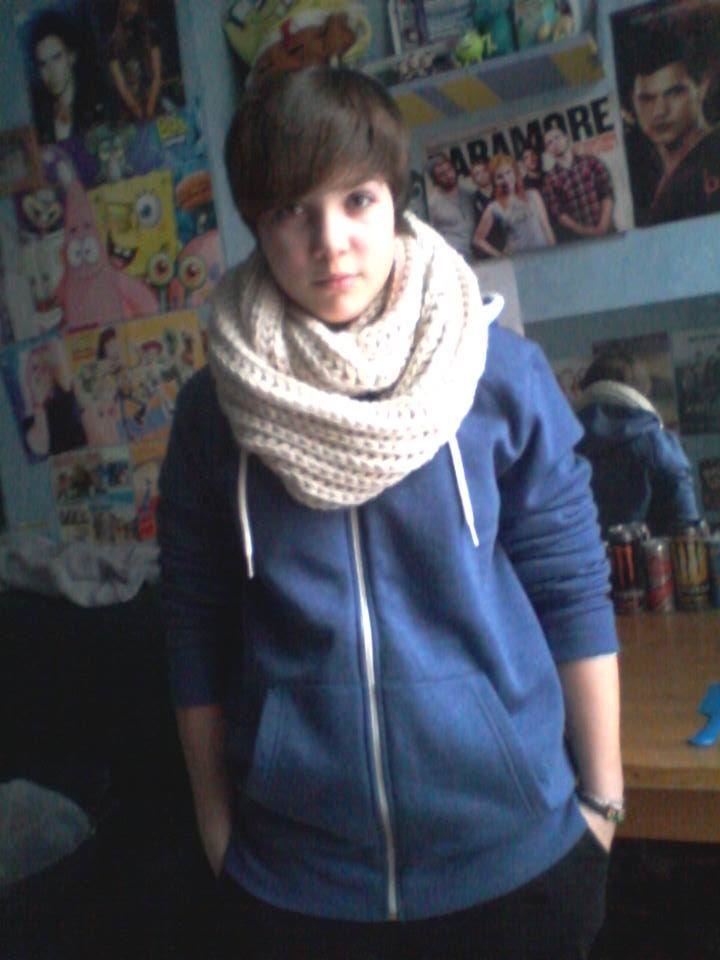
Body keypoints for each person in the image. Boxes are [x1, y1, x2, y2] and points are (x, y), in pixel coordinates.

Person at [158, 66, 623, 960]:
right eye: (292, 211)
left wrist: (602, 804)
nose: (331, 242)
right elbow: (194, 627)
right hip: (297, 887)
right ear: (256, 223)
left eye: (358, 200)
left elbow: (571, 588)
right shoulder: (212, 415)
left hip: (516, 865)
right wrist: (219, 835)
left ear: (396, 200)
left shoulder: (498, 376)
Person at [575, 349, 700, 537]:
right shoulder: (658, 445)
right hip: (649, 554)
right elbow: (686, 530)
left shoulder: (562, 445)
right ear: (643, 392)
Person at [624, 26, 720, 226]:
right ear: (632, 101)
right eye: (647, 99)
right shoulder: (651, 177)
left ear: (702, 87)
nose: (660, 112)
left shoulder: (712, 156)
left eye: (675, 93)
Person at [29, 10, 103, 143]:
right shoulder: (41, 116)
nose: (51, 71)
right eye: (43, 64)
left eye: (56, 58)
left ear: (71, 56)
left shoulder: (95, 101)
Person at [541, 124, 615, 243]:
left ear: (566, 138)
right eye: (549, 142)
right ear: (547, 150)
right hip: (580, 240)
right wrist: (586, 232)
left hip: (608, 232)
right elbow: (559, 213)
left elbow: (607, 193)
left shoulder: (592, 162)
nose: (554, 143)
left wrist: (602, 226)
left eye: (557, 137)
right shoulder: (550, 179)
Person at [473, 153, 555, 257]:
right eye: (499, 176)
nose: (506, 179)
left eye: (508, 172)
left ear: (515, 172)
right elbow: (478, 239)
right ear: (494, 181)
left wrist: (555, 251)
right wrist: (500, 256)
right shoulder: (494, 207)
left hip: (544, 254)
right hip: (519, 259)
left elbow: (546, 227)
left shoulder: (533, 195)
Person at [21, 339, 87, 458]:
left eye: (44, 366)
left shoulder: (67, 393)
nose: (40, 372)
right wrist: (38, 402)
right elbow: (41, 446)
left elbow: (56, 347)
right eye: (35, 368)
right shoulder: (31, 422)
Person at [108, 0, 163, 122]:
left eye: (135, 3)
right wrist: (137, 110)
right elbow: (122, 86)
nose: (132, 7)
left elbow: (157, 75)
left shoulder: (151, 32)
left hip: (153, 102)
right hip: (130, 110)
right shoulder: (114, 43)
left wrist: (150, 108)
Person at [425, 153, 476, 262]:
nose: (448, 175)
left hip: (477, 256)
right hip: (452, 259)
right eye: (442, 174)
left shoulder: (469, 195)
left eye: (449, 170)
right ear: (435, 179)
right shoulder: (432, 204)